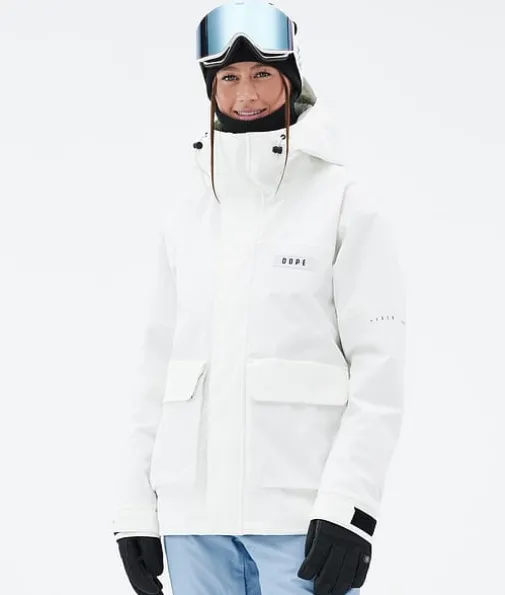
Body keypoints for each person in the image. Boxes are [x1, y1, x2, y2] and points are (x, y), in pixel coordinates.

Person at [111, 1, 406, 594]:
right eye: (229, 78)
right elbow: (154, 371)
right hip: (193, 522)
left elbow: (380, 369)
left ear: (290, 78)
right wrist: (134, 507)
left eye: (262, 74)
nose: (246, 94)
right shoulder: (187, 214)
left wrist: (351, 506)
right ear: (211, 87)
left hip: (302, 520)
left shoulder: (342, 202)